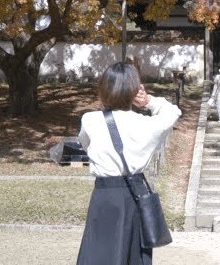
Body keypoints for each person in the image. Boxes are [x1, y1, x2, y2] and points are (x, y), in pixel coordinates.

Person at [77, 62, 181, 265]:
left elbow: (86, 145)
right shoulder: (147, 125)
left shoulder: (90, 120)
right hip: (136, 193)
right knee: (133, 255)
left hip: (105, 195)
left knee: (99, 254)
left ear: (104, 89)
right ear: (134, 91)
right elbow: (173, 112)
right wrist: (148, 101)